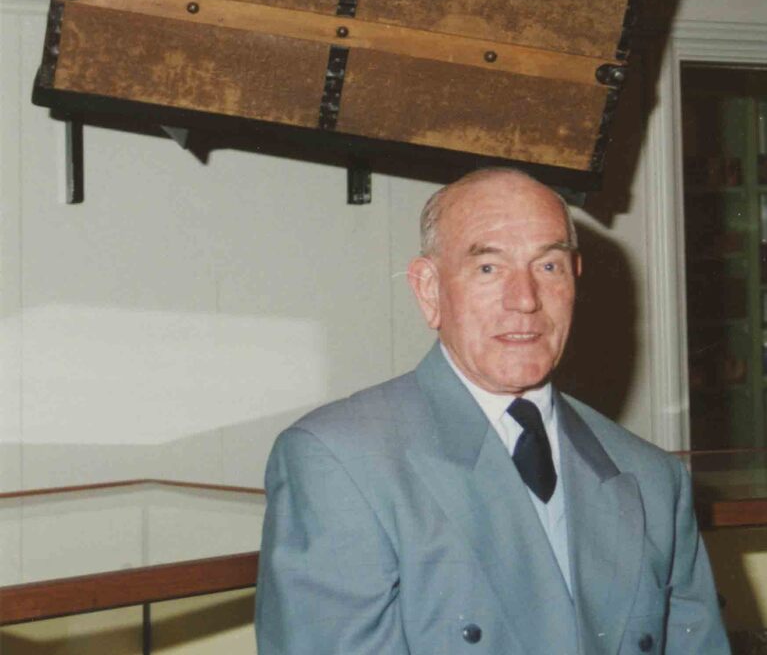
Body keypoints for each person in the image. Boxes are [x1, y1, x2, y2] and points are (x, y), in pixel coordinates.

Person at [255, 168, 730, 654]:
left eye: (548, 266)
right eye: (488, 268)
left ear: (574, 279)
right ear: (429, 290)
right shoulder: (341, 462)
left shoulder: (652, 480)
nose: (525, 300)